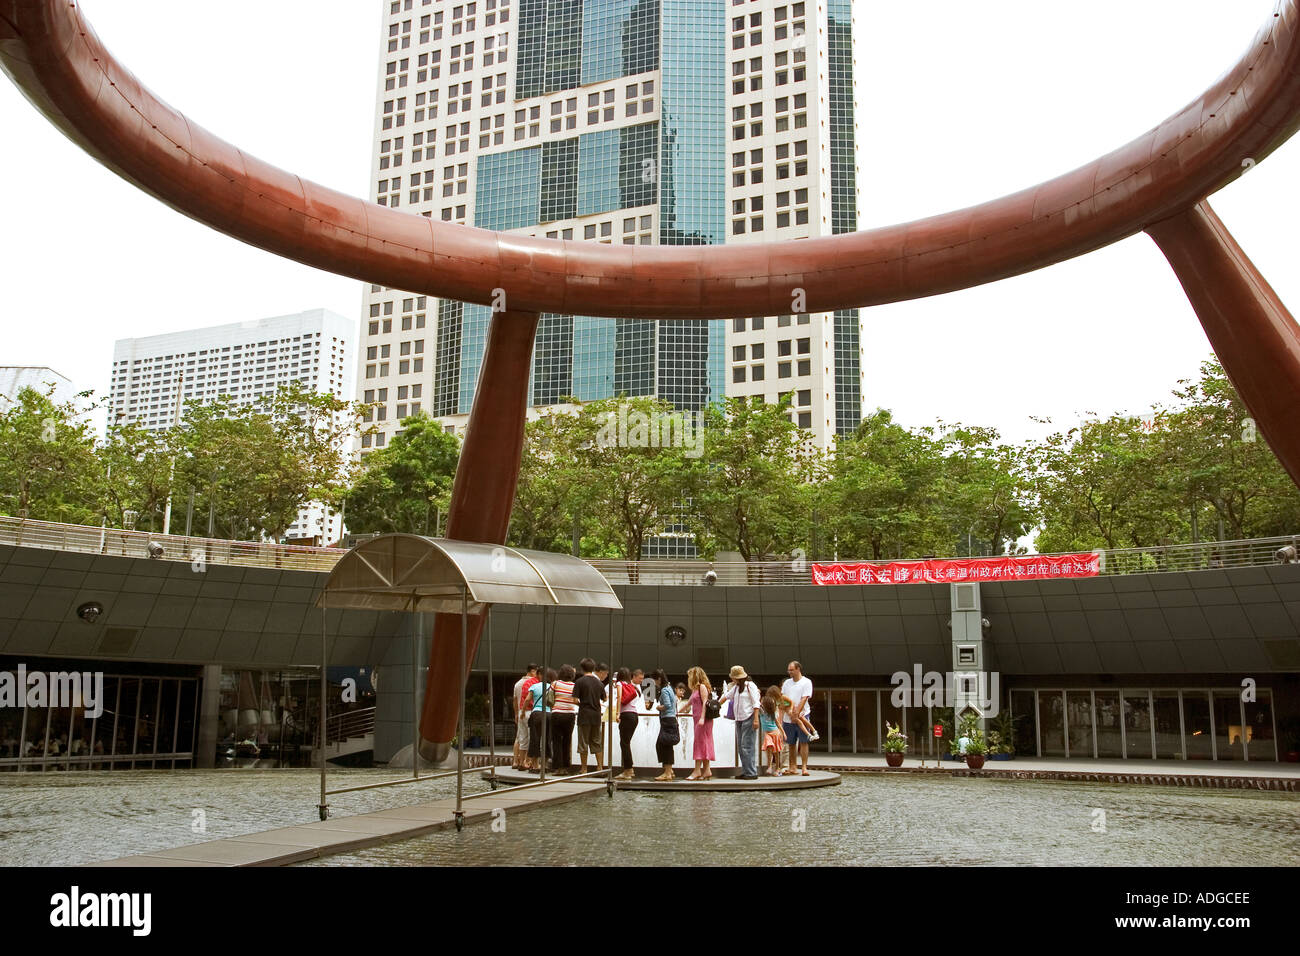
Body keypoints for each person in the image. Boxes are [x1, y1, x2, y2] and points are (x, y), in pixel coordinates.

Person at [720, 665, 761, 780]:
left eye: (733, 677)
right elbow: (726, 696)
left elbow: (756, 703)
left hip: (749, 717)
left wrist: (756, 719)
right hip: (739, 719)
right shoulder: (737, 688)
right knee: (741, 746)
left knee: (746, 746)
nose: (732, 679)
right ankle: (746, 770)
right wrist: (716, 705)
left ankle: (751, 772)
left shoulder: (750, 686)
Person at [781, 660, 815, 776]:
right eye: (788, 670)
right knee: (790, 743)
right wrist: (789, 712)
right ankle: (793, 767)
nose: (789, 672)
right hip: (788, 717)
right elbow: (783, 699)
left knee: (804, 741)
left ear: (798, 669)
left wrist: (796, 713)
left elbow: (804, 698)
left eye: (791, 670)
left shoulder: (806, 682)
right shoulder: (786, 683)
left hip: (802, 715)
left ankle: (804, 767)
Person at [574, 657, 606, 773]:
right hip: (596, 715)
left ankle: (584, 768)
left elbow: (574, 700)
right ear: (593, 668)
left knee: (583, 742)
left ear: (582, 669)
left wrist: (582, 704)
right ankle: (600, 767)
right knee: (597, 742)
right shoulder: (599, 683)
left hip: (584, 715)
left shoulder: (579, 682)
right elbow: (605, 698)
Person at [525, 668, 556, 771]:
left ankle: (535, 765)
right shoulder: (552, 687)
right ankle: (545, 764)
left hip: (536, 714)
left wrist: (523, 711)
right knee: (548, 738)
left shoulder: (534, 686)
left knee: (535, 738)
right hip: (548, 714)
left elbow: (528, 699)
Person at [550, 664, 579, 773]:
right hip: (570, 715)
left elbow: (550, 697)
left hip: (557, 713)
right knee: (567, 741)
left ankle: (558, 767)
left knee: (556, 740)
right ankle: (566, 767)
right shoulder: (574, 685)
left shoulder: (555, 683)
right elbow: (576, 700)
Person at [651, 668, 679, 781]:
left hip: (667, 720)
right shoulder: (669, 688)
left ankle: (667, 773)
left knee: (665, 746)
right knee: (663, 745)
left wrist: (659, 707)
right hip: (671, 720)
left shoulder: (664, 690)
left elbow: (667, 705)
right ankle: (669, 771)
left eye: (654, 680)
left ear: (658, 679)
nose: (654, 683)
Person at [614, 666, 641, 780]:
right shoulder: (632, 686)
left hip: (626, 715)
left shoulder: (620, 684)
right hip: (634, 716)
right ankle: (630, 769)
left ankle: (627, 771)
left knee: (624, 744)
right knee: (626, 743)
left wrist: (617, 713)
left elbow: (620, 697)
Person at [513, 663, 539, 771]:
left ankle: (516, 761)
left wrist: (516, 713)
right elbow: (529, 699)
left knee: (519, 738)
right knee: (530, 738)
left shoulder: (518, 683)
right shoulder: (535, 683)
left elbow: (514, 700)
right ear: (533, 671)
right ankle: (528, 761)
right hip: (530, 712)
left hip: (520, 712)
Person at [760, 686, 787, 775]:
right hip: (768, 733)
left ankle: (777, 768)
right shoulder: (762, 713)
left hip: (775, 733)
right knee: (769, 748)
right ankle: (770, 766)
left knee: (776, 751)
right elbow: (756, 705)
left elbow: (778, 724)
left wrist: (783, 733)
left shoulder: (772, 714)